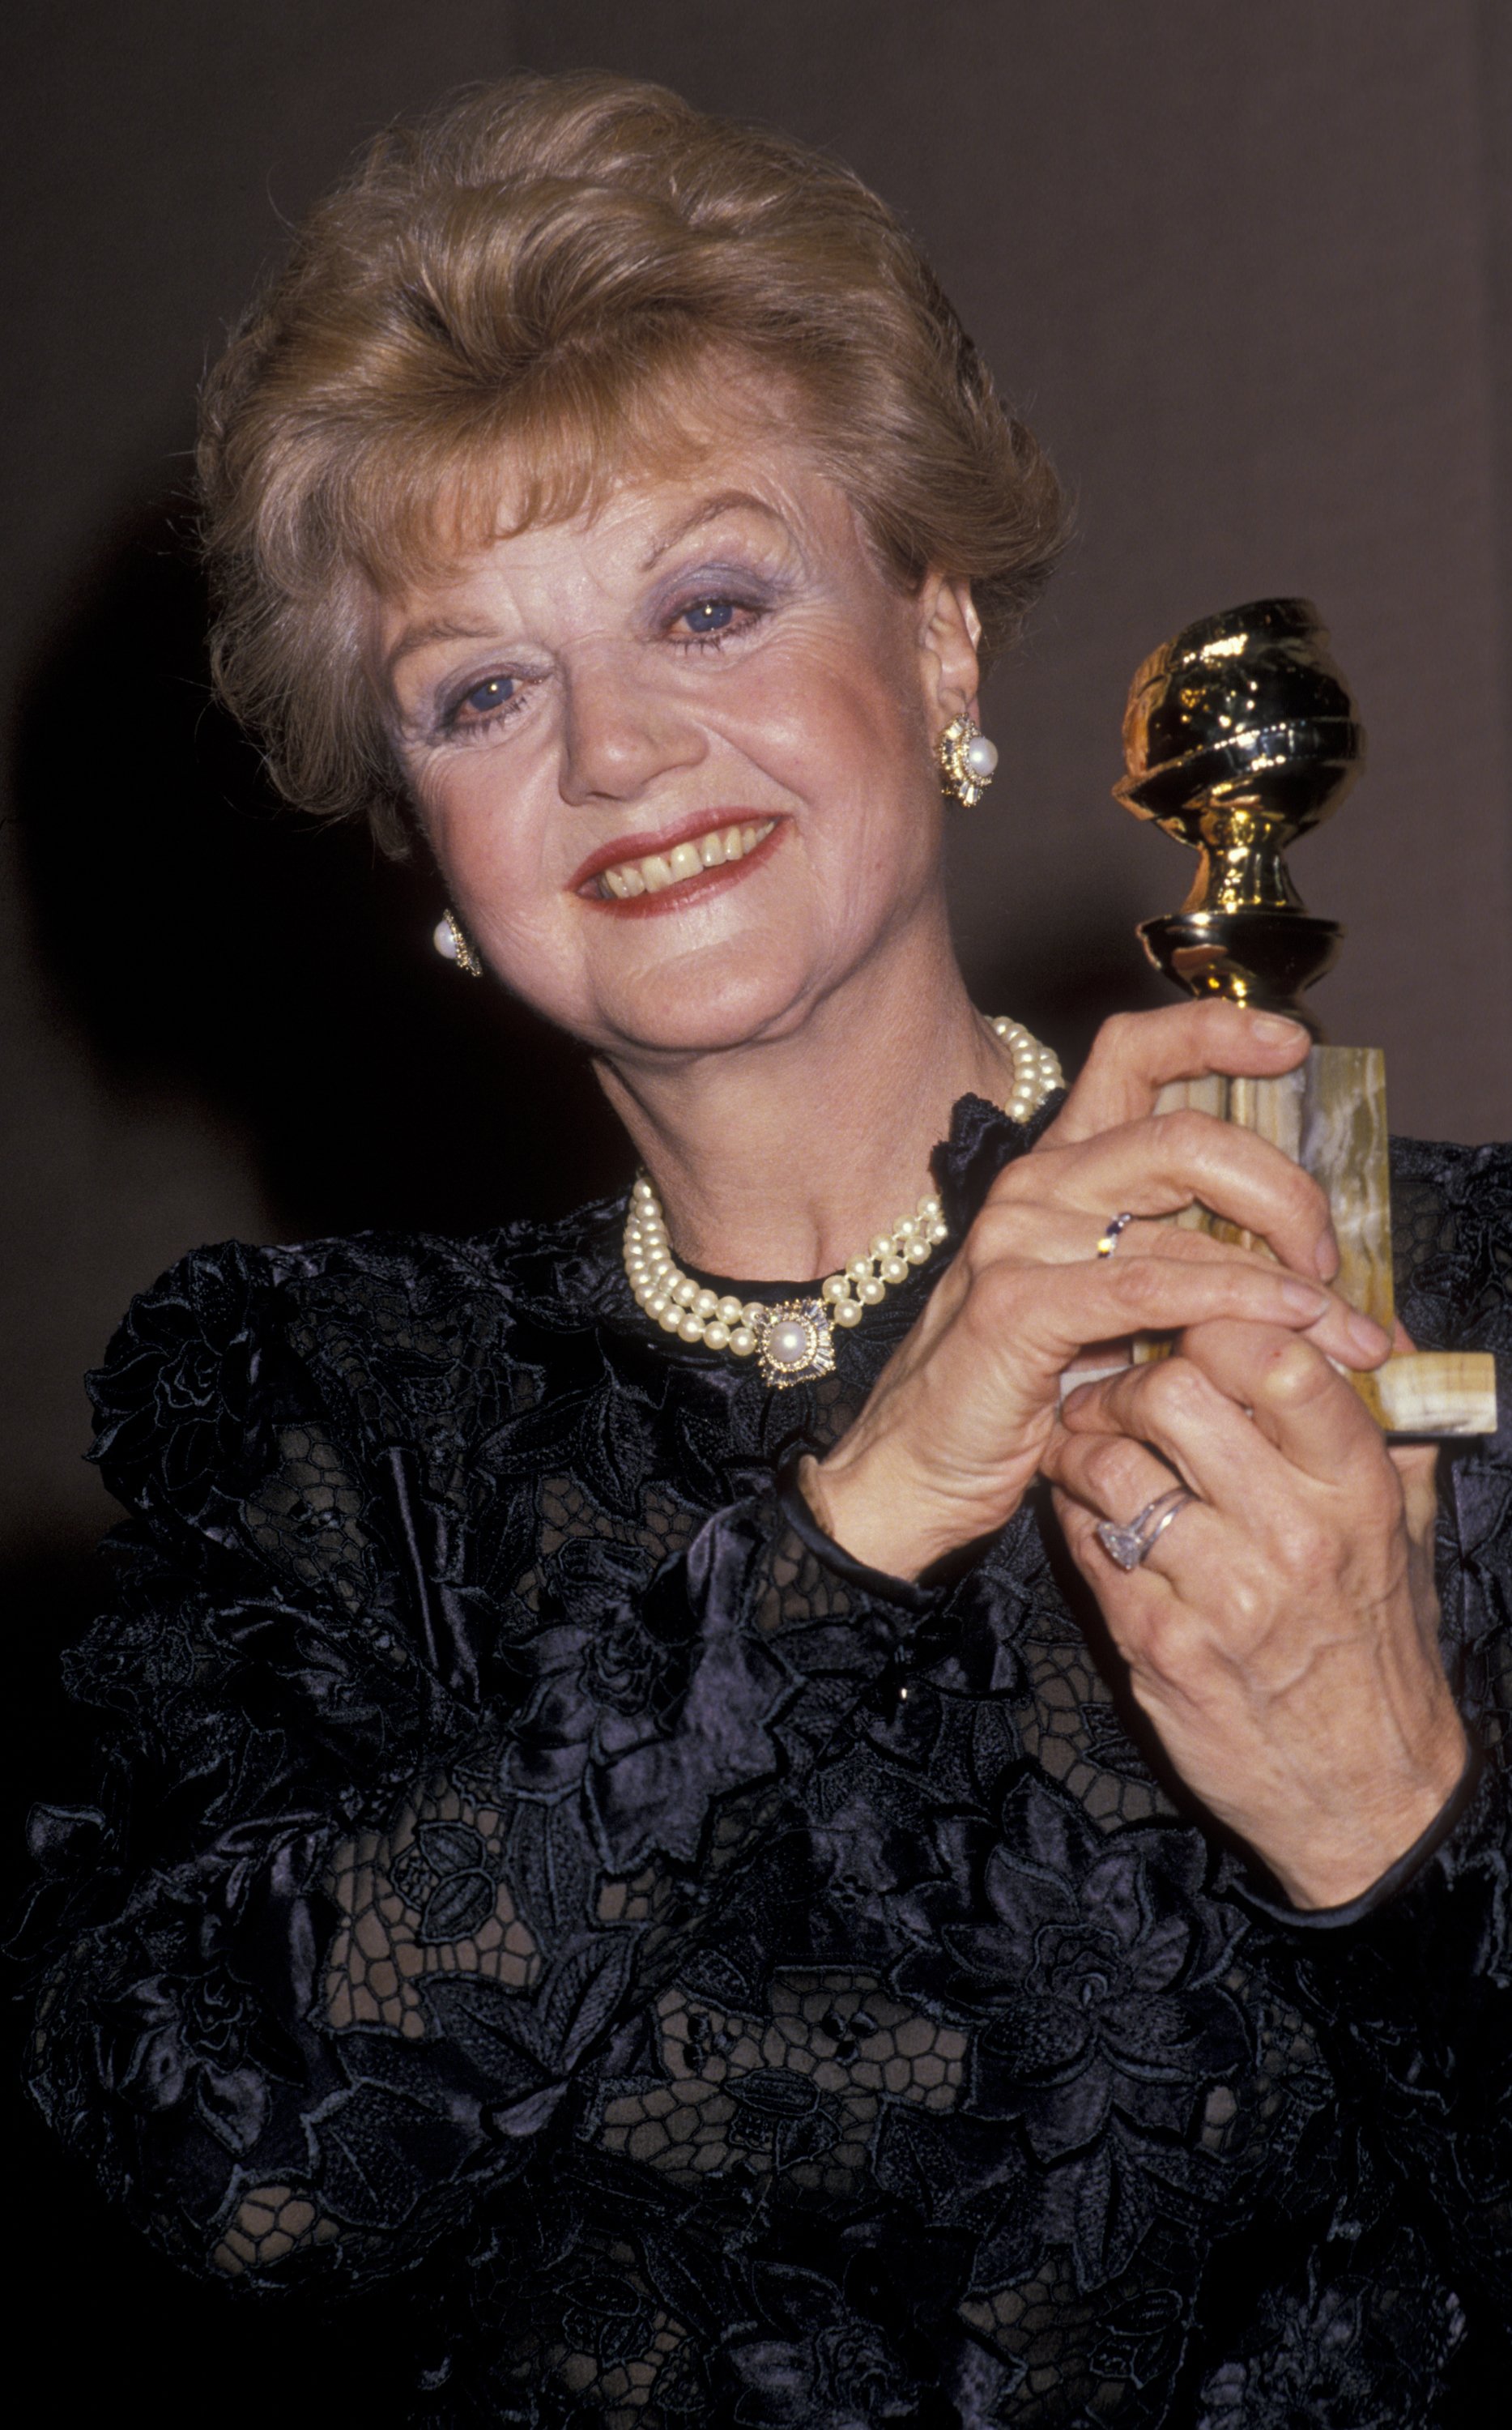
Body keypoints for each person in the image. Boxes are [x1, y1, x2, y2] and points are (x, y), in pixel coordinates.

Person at [19, 70, 1512, 2428]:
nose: (614, 749)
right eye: (482, 692)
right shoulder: (319, 1422)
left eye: (708, 603)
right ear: (428, 843)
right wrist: (857, 1511)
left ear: (934, 651)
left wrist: (1384, 1823)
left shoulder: (1447, 1290)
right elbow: (228, 2166)